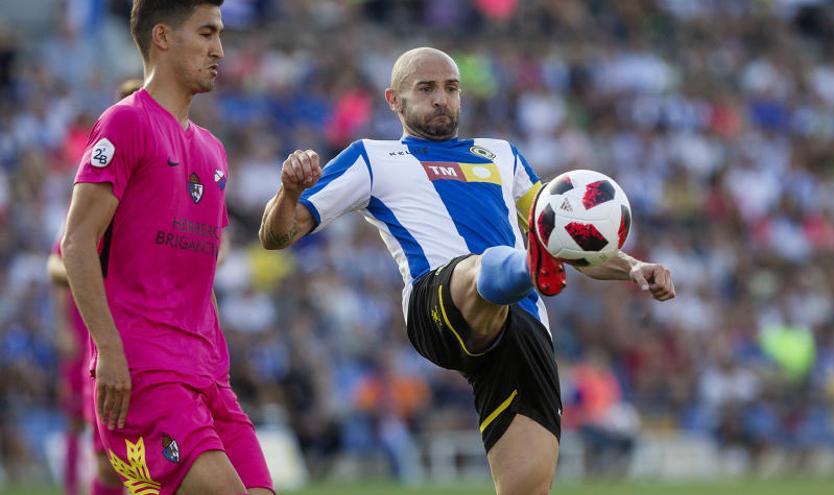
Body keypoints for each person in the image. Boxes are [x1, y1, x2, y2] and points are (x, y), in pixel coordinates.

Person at [259, 46, 675, 494]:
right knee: (484, 266)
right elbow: (277, 236)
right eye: (427, 89)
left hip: (522, 325)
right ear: (393, 101)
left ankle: (526, 271)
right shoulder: (372, 158)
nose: (442, 98)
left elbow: (569, 236)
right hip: (437, 301)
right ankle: (525, 267)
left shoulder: (501, 155)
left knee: (528, 488)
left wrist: (634, 267)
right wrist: (288, 192)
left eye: (451, 88)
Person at [61, 2, 272, 494]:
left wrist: (217, 363)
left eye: (219, 35)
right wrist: (108, 350)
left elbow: (198, 277)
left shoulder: (213, 150)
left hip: (209, 378)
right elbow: (75, 242)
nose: (219, 49)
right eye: (206, 34)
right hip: (145, 375)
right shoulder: (125, 124)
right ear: (162, 36)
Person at [46, 78, 142, 495]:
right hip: (96, 334)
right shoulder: (98, 192)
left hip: (144, 334)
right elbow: (62, 256)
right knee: (102, 445)